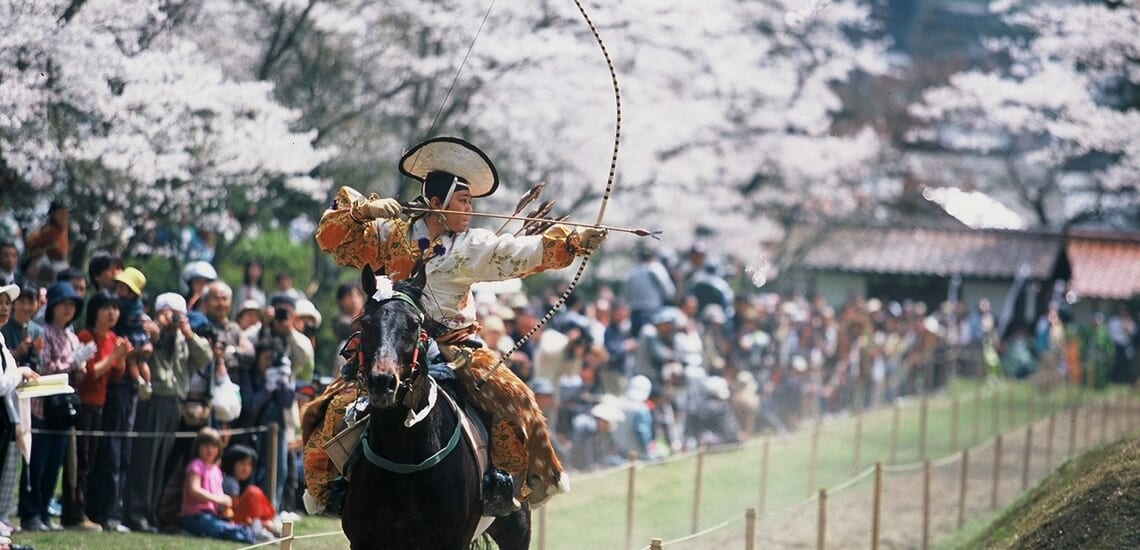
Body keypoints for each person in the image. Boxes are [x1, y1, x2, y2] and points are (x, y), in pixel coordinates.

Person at [307, 136, 605, 516]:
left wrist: (576, 241)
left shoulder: (472, 244)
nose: (470, 209)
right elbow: (331, 239)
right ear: (436, 203)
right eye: (463, 201)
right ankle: (331, 491)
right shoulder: (388, 235)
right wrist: (362, 213)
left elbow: (519, 253)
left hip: (453, 346)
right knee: (333, 407)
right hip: (392, 345)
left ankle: (503, 489)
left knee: (514, 403)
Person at [124, 293, 210, 534]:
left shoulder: (184, 338)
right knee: (145, 459)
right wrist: (159, 326)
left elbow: (205, 358)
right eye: (169, 312)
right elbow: (143, 345)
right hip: (154, 399)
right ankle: (135, 513)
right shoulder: (150, 329)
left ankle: (151, 512)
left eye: (178, 314)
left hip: (175, 402)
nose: (173, 318)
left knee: (161, 461)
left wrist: (188, 332)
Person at [19, 282, 91, 532]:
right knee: (37, 463)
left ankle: (45, 512)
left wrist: (79, 368)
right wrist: (72, 362)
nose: (68, 310)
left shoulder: (72, 336)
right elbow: (44, 367)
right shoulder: (44, 332)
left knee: (55, 465)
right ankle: (30, 512)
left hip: (63, 409)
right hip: (42, 406)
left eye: (72, 305)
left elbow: (74, 374)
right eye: (64, 304)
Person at [62, 290, 130, 532]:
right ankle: (73, 512)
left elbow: (116, 374)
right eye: (106, 308)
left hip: (101, 405)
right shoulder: (86, 336)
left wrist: (120, 357)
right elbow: (91, 373)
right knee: (78, 460)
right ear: (95, 311)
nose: (112, 313)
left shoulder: (113, 337)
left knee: (90, 460)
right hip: (83, 404)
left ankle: (85, 511)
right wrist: (114, 355)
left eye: (115, 308)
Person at [180, 427, 256, 543]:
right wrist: (217, 500)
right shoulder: (196, 465)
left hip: (213, 515)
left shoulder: (216, 470)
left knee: (229, 526)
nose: (210, 450)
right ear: (198, 447)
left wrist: (225, 502)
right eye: (206, 446)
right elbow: (193, 490)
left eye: (214, 446)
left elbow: (218, 494)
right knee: (223, 529)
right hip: (195, 516)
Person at [220, 444, 278, 539]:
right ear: (231, 463)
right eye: (242, 463)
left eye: (249, 465)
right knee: (253, 491)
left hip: (239, 518)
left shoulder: (239, 482)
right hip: (231, 520)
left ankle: (266, 524)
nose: (246, 468)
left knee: (254, 491)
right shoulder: (230, 482)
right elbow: (233, 510)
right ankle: (260, 529)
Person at [21, 202, 69, 285]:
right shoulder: (47, 229)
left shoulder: (63, 229)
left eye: (66, 213)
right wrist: (46, 248)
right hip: (44, 262)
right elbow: (30, 244)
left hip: (60, 262)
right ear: (54, 214)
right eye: (61, 213)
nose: (65, 216)